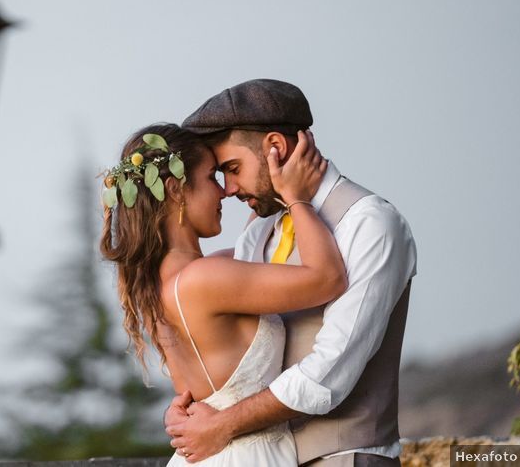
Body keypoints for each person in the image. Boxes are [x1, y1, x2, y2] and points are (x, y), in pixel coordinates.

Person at [166, 79, 418, 467]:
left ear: (276, 148)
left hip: (344, 457)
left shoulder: (369, 223)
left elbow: (329, 373)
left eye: (232, 169)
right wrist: (191, 410)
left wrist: (224, 424)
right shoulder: (260, 229)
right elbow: (243, 354)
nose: (229, 189)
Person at [99, 122, 349, 466]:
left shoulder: (161, 285)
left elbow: (265, 248)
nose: (223, 193)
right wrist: (298, 198)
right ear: (175, 189)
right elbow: (328, 279)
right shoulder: (206, 279)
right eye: (211, 178)